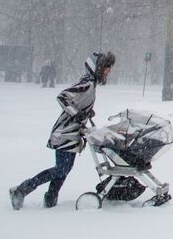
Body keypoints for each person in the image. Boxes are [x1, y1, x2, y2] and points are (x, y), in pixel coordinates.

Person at [9, 51, 116, 210]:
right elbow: (63, 97)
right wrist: (77, 114)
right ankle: (21, 190)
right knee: (62, 168)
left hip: (72, 133)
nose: (108, 71)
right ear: (97, 68)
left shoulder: (90, 83)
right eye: (106, 68)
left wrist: (85, 112)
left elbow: (77, 102)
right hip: (65, 132)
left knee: (64, 168)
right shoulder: (87, 83)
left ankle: (50, 199)